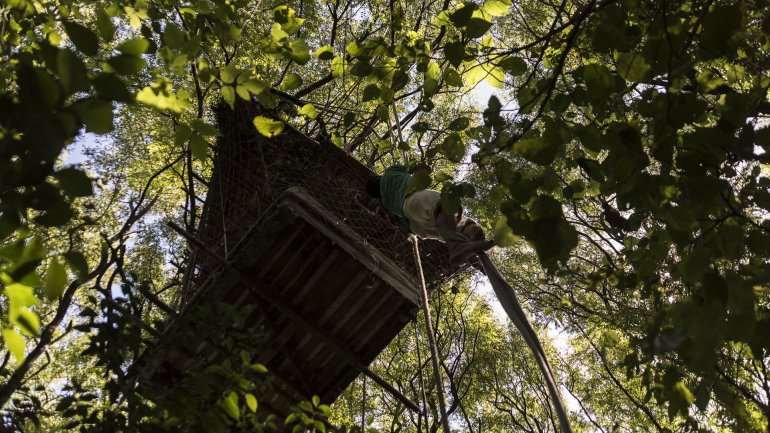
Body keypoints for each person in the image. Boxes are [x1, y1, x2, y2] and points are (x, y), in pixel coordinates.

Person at [366, 165, 494, 264]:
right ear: (378, 178)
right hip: (415, 197)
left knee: (447, 226)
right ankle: (457, 243)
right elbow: (414, 167)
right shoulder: (389, 173)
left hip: (414, 223)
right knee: (443, 207)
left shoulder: (386, 203)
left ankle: (466, 242)